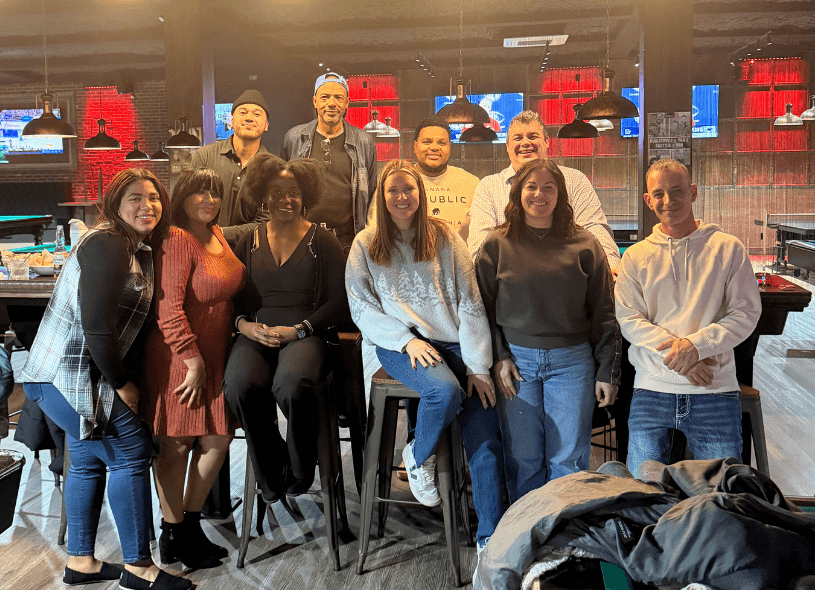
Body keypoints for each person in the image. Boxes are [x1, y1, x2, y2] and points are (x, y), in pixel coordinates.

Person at [21, 169, 191, 590]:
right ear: (114, 203)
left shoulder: (130, 246)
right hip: (68, 376)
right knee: (130, 453)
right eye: (134, 198)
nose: (146, 206)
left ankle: (81, 562)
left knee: (88, 457)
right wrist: (122, 385)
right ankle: (138, 567)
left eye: (153, 197)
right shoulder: (109, 244)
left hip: (61, 375)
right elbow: (97, 325)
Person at [346, 159, 507, 549]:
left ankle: (491, 538)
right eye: (393, 191)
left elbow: (469, 300)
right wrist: (405, 340)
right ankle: (418, 456)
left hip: (452, 342)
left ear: (421, 192)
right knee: (445, 392)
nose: (402, 197)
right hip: (401, 345)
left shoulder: (444, 235)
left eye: (409, 189)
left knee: (486, 440)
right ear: (381, 198)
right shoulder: (365, 242)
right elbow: (361, 306)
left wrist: (477, 365)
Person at [475, 158, 620, 502]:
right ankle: (529, 538)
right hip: (516, 363)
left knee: (568, 461)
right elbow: (482, 310)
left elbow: (604, 312)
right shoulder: (496, 245)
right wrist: (498, 358)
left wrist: (607, 371)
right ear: (517, 193)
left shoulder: (585, 245)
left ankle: (562, 539)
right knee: (523, 460)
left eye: (548, 187)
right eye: (531, 187)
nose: (539, 194)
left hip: (573, 363)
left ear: (561, 194)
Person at [614, 159, 761, 476]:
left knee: (722, 494)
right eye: (659, 193)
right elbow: (629, 319)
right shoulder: (636, 256)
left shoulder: (727, 248)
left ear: (693, 192)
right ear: (647, 200)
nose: (669, 200)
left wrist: (697, 347)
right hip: (651, 391)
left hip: (714, 392)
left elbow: (746, 312)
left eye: (677, 190)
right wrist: (685, 356)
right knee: (643, 495)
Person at [223, 154, 348, 503]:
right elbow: (234, 301)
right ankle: (272, 470)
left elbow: (338, 302)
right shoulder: (248, 241)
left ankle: (300, 468)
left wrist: (301, 329)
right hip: (258, 332)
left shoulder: (322, 241)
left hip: (306, 332)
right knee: (238, 384)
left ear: (305, 194)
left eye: (293, 191)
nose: (286, 199)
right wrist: (244, 327)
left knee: (291, 384)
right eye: (277, 191)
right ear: (262, 193)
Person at [145, 168, 245, 570]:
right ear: (180, 196)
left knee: (217, 440)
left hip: (215, 355)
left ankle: (186, 526)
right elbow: (167, 309)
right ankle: (173, 534)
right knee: (177, 445)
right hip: (180, 358)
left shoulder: (216, 233)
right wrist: (191, 359)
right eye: (199, 192)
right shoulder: (175, 238)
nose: (208, 199)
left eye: (214, 192)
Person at [467, 110, 620, 272]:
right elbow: (480, 245)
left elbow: (594, 228)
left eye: (533, 136)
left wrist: (611, 265)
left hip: (568, 279)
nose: (525, 143)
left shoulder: (575, 180)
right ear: (507, 147)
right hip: (509, 284)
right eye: (517, 138)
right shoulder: (488, 187)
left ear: (547, 142)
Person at [281, 72, 377, 252]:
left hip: (348, 242)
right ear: (315, 101)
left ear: (347, 102)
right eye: (325, 97)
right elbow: (282, 189)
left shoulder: (364, 142)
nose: (331, 103)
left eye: (338, 98)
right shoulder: (294, 138)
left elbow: (372, 194)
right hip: (301, 239)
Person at [367, 116, 479, 242]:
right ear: (415, 147)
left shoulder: (471, 184)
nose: (434, 147)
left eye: (441, 143)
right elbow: (374, 229)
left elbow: (480, 234)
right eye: (427, 142)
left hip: (457, 260)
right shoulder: (394, 183)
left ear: (450, 147)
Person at [191, 89, 271, 245]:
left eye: (257, 114)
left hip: (251, 257)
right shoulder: (204, 157)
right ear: (231, 121)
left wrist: (220, 234)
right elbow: (188, 205)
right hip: (205, 252)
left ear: (266, 125)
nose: (249, 118)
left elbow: (267, 222)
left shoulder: (272, 168)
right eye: (243, 112)